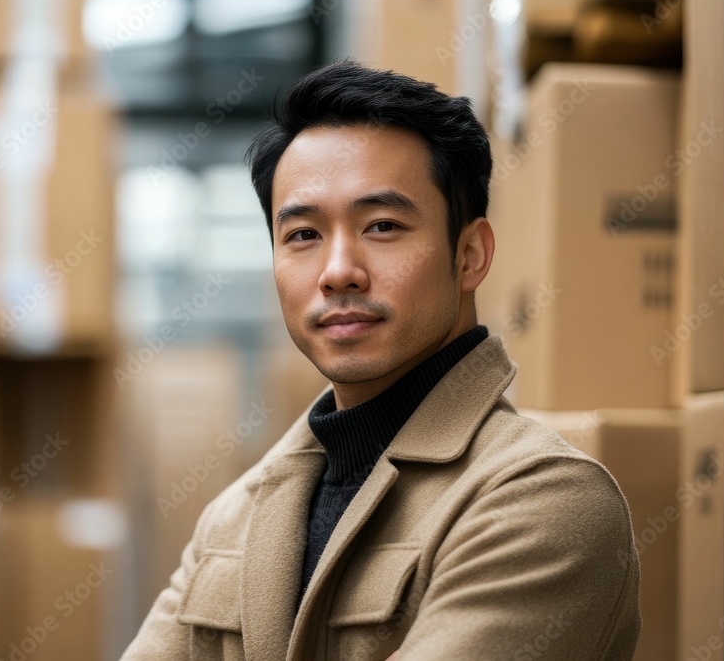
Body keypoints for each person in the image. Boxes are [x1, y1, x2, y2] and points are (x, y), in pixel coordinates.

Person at [121, 59, 641, 660]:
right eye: (303, 235)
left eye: (383, 225)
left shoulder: (541, 501)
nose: (338, 271)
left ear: (470, 254)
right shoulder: (233, 519)